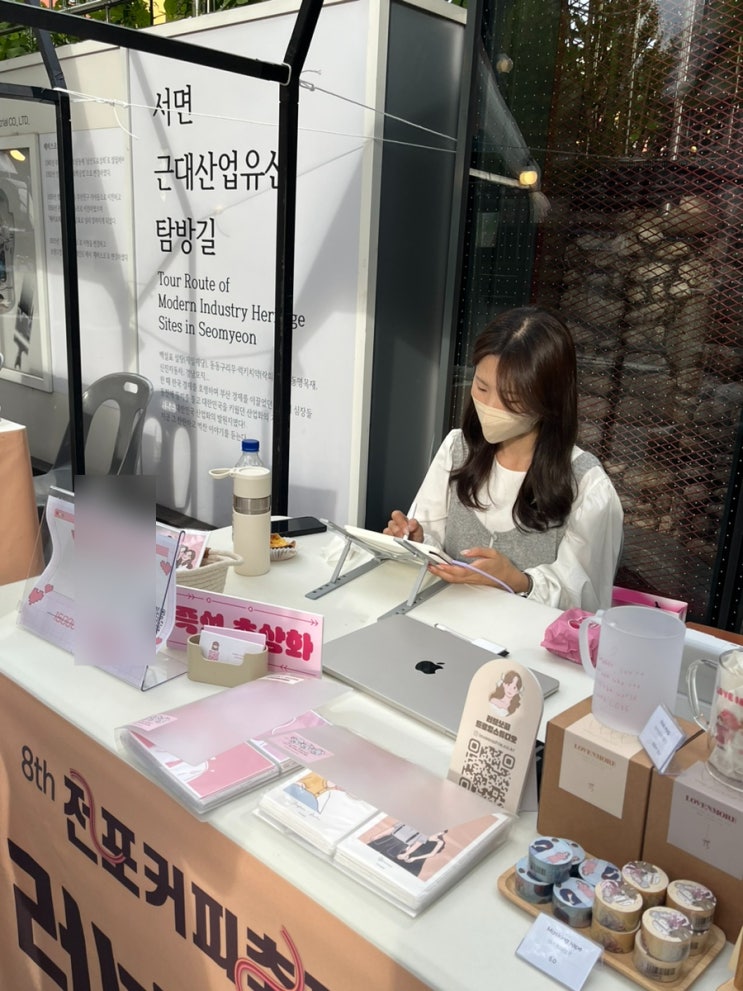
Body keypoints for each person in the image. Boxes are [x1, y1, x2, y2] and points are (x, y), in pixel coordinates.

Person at [384, 306, 623, 611]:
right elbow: (432, 543)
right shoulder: (457, 449)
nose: (490, 406)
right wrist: (417, 540)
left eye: (511, 398)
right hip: (446, 620)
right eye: (482, 387)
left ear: (549, 400)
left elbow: (586, 600)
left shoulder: (587, 486)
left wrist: (519, 581)